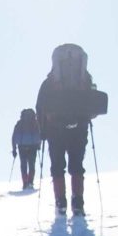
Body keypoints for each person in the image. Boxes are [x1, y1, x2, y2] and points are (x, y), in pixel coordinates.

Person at [36, 43, 105, 216]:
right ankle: (78, 202)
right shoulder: (85, 81)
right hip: (79, 128)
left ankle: (60, 203)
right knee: (77, 165)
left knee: (57, 167)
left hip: (55, 130)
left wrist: (42, 131)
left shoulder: (49, 83)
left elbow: (40, 107)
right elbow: (93, 104)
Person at [11, 108, 40, 190]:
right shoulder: (35, 123)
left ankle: (25, 182)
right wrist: (38, 145)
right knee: (32, 165)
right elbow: (39, 134)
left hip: (22, 147)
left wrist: (14, 149)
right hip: (33, 146)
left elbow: (13, 137)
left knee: (23, 165)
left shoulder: (19, 124)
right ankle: (30, 182)